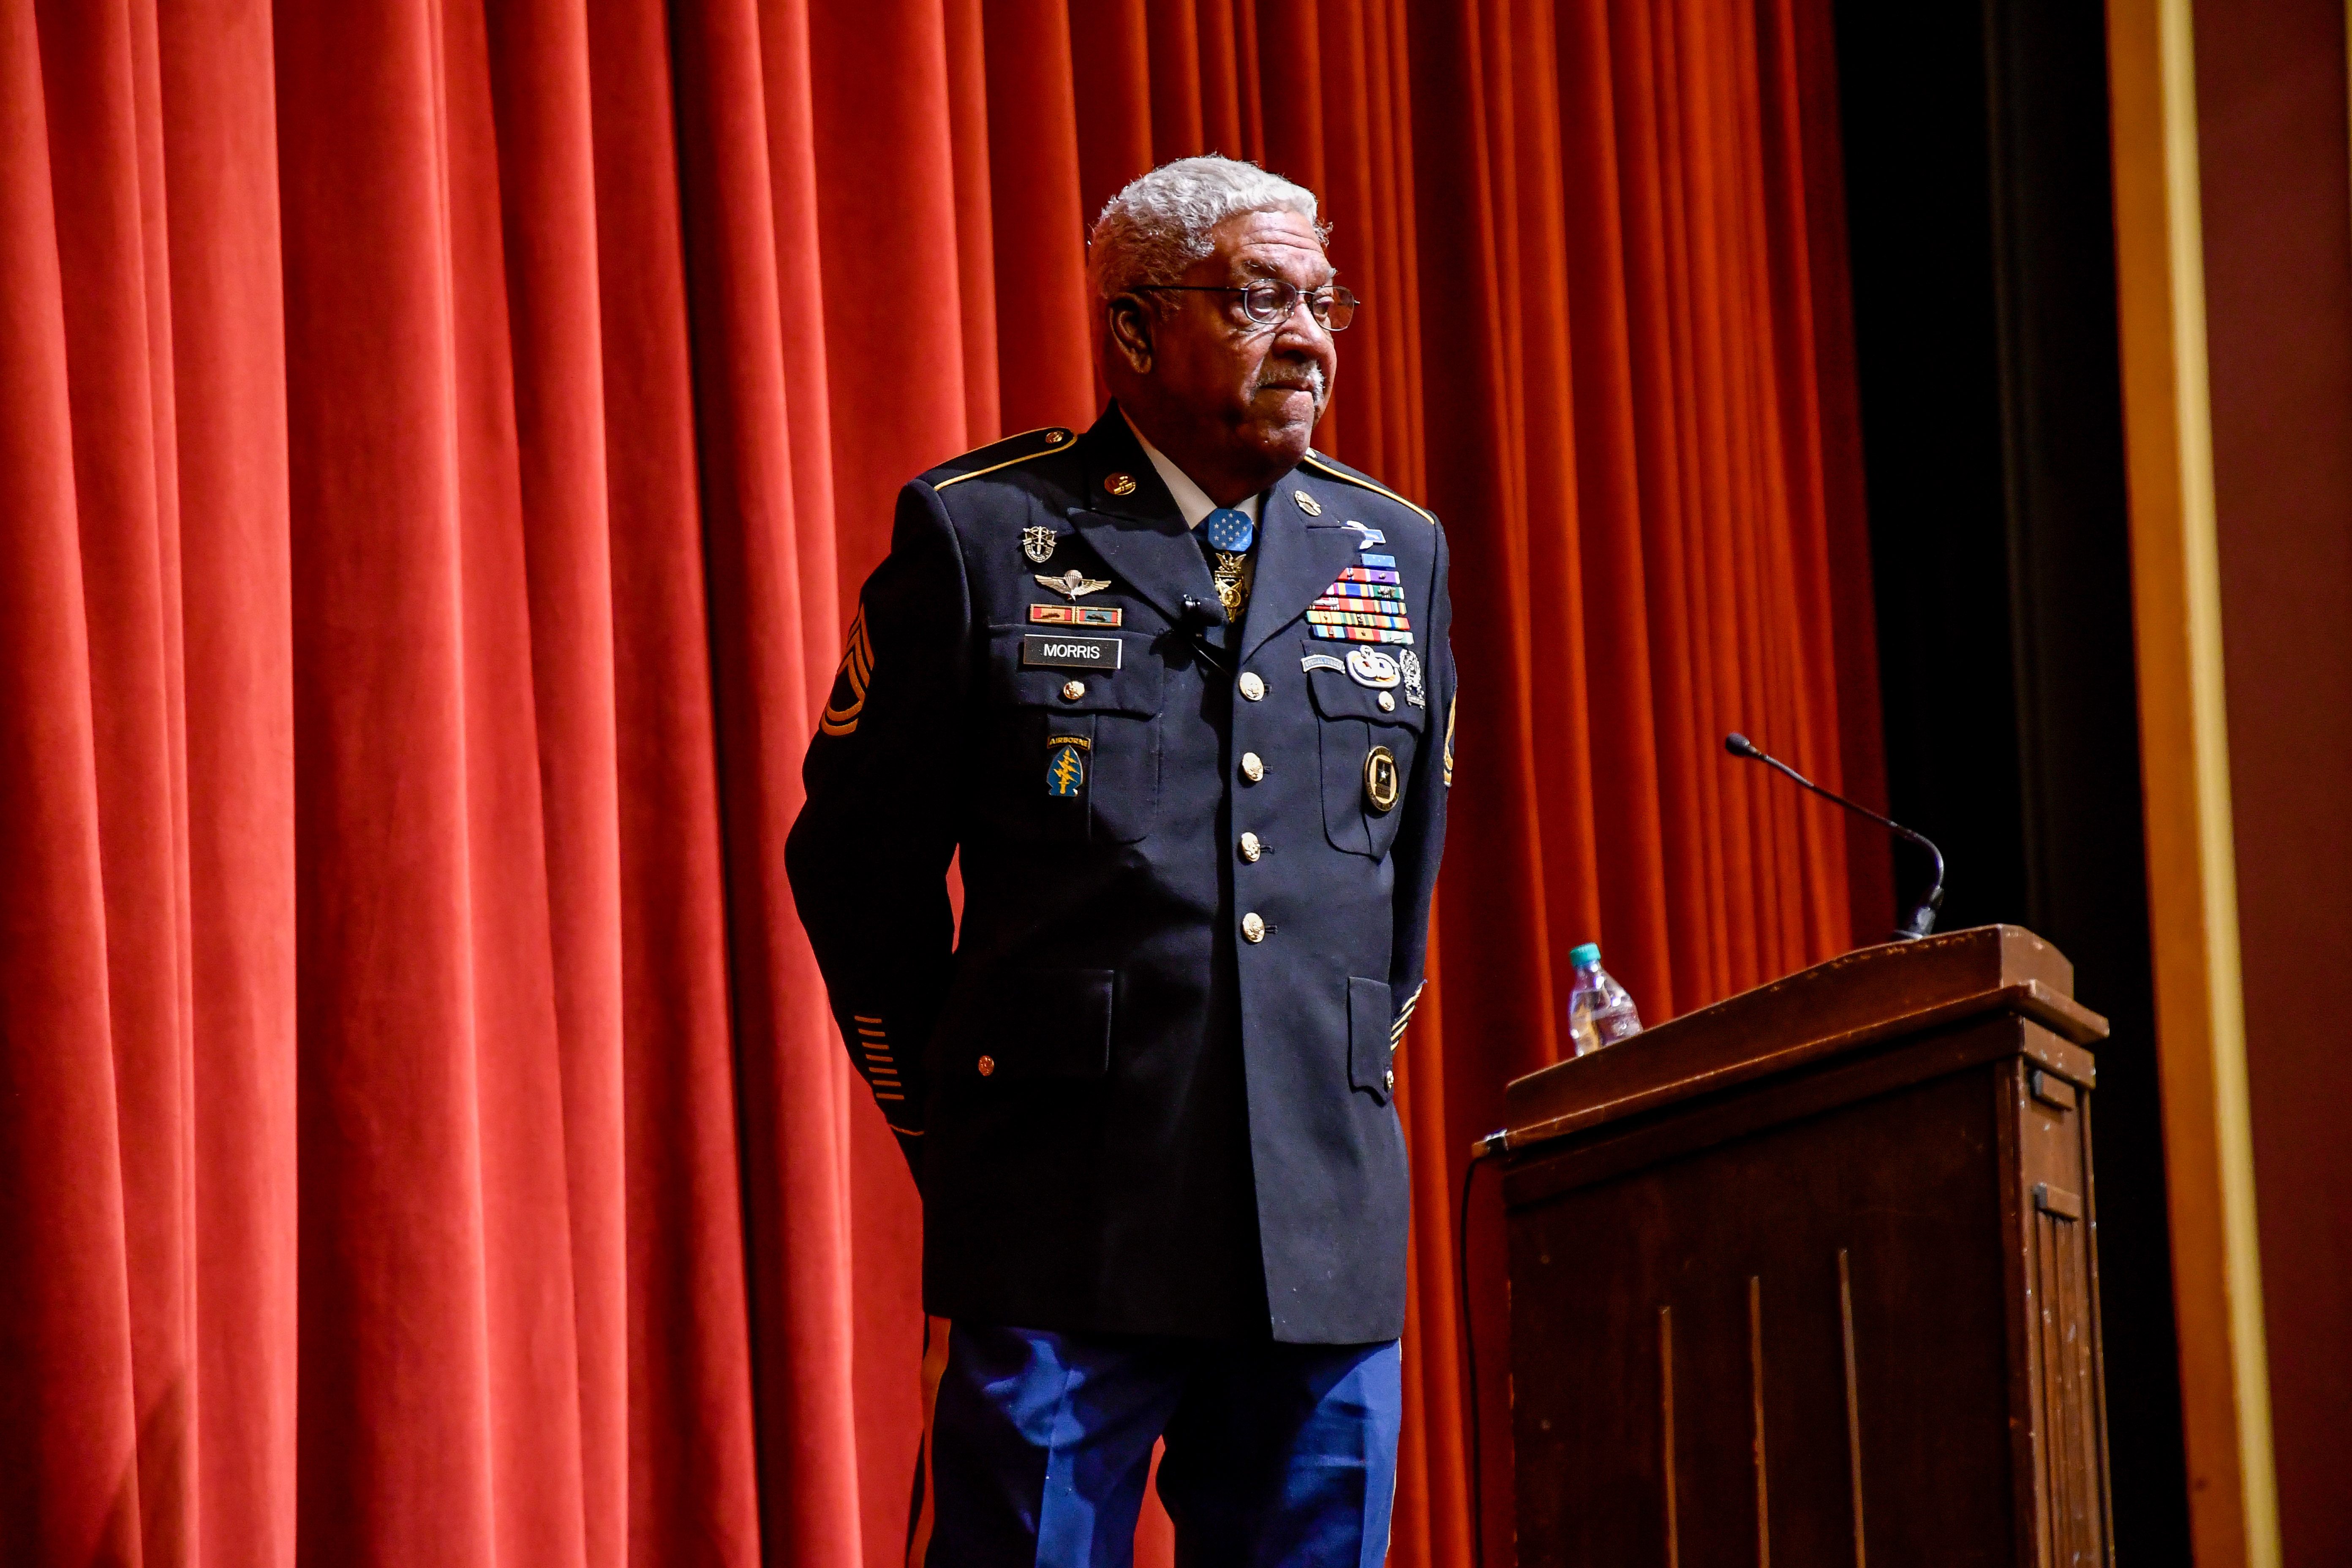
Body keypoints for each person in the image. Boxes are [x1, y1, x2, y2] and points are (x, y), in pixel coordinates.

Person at [787, 154, 1455, 1567]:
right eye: (1260, 298)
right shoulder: (983, 534)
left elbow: (1399, 902)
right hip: (1061, 1224)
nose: (1312, 338)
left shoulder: (1395, 548)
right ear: (1138, 332)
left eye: (1322, 300)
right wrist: (966, 1127)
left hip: (1318, 1241)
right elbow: (857, 866)